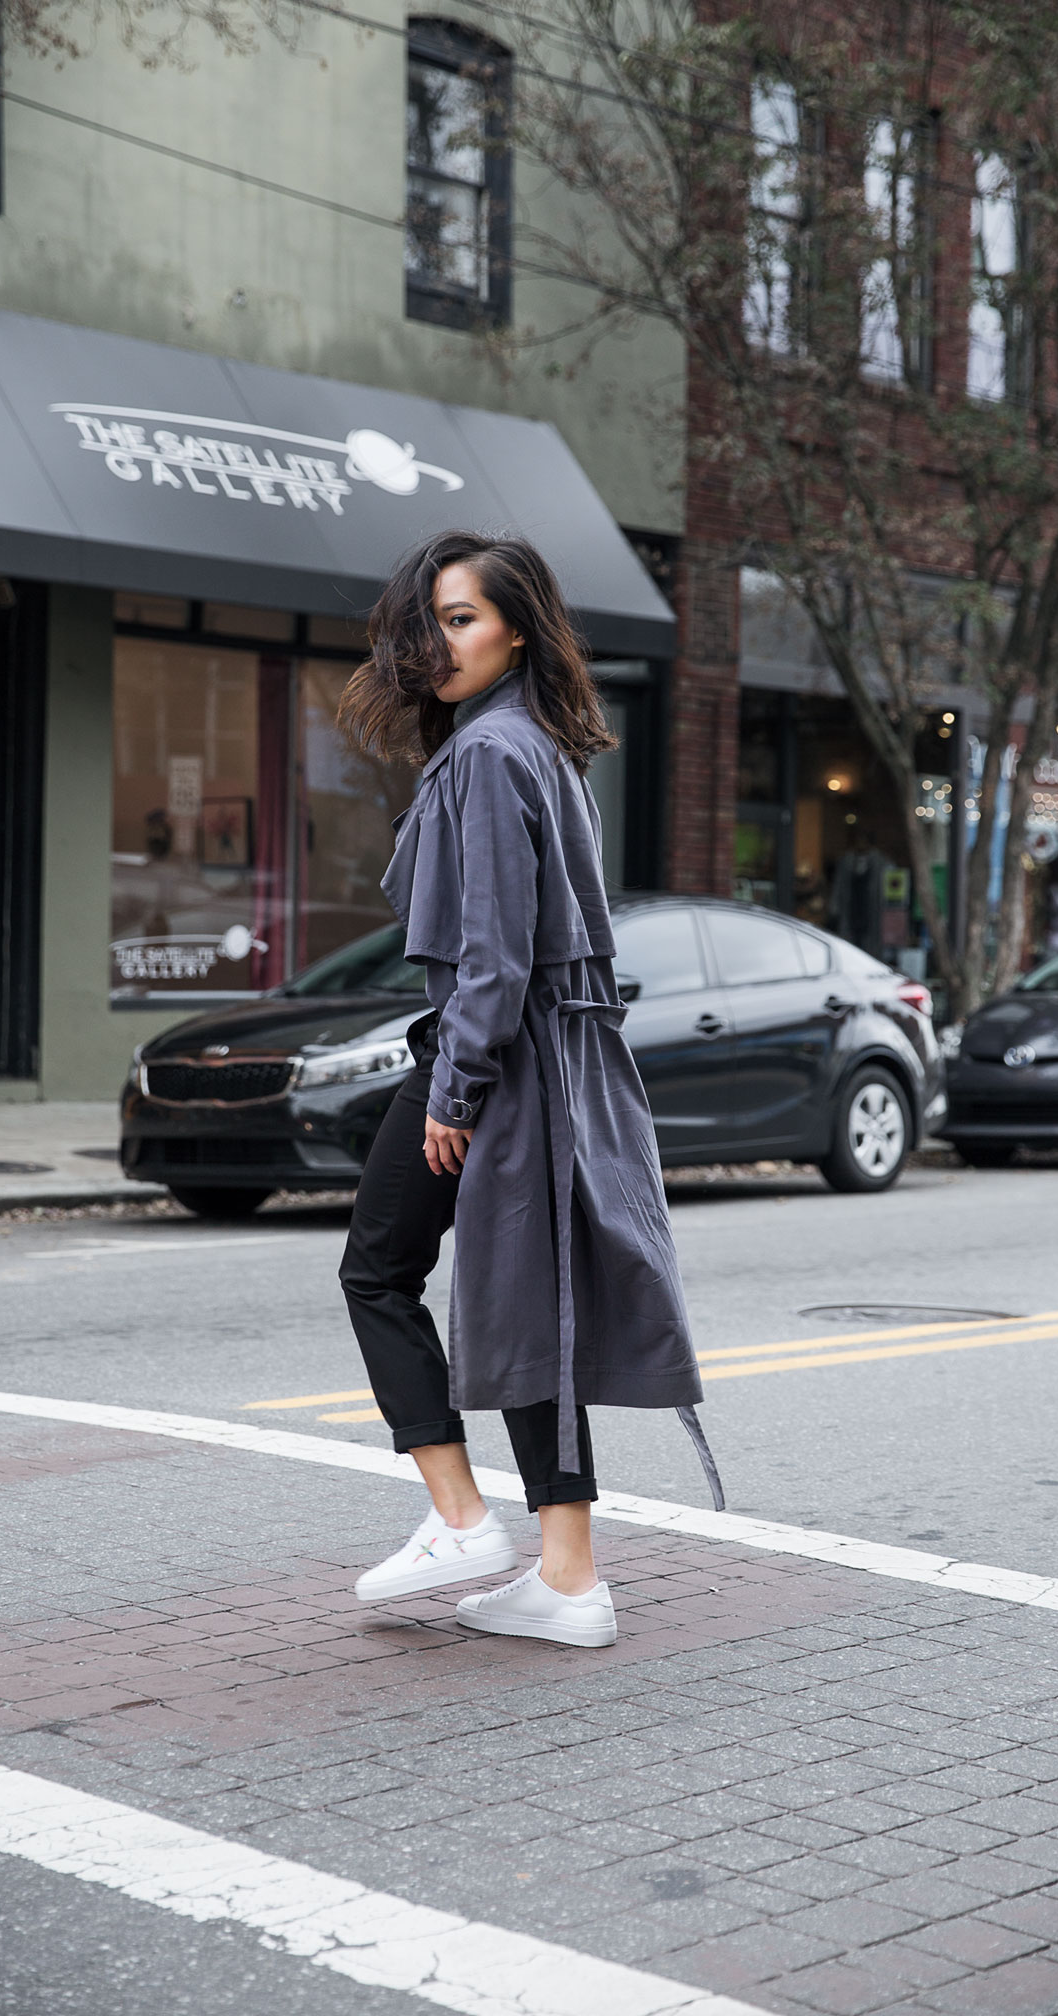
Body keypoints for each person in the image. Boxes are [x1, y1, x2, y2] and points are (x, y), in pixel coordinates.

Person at [336, 530, 721, 1649]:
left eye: (461, 617)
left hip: (498, 1058)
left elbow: (497, 955)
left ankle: (461, 1516)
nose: (438, 639)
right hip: (548, 1060)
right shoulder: (532, 743)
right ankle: (568, 1577)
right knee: (524, 1300)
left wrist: (454, 1092)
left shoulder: (493, 754)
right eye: (430, 619)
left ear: (516, 628)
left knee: (376, 1266)